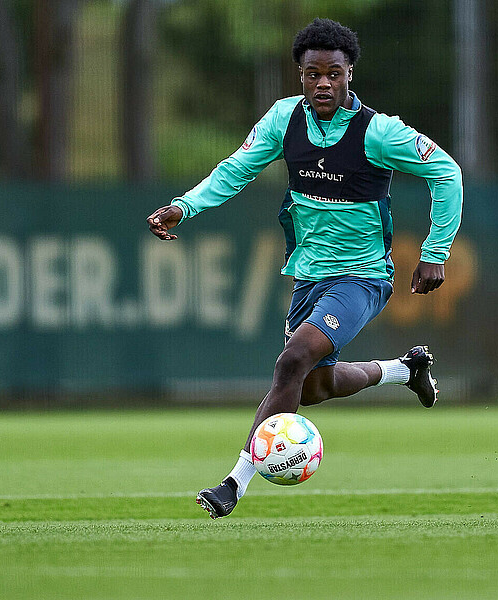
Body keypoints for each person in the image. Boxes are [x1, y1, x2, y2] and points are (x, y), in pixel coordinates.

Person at [147, 18, 463, 519]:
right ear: (300, 75)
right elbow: (235, 169)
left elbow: (446, 172)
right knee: (312, 386)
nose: (323, 83)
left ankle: (233, 484)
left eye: (334, 73)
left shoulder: (378, 132)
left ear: (349, 74)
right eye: (313, 74)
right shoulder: (283, 120)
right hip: (308, 276)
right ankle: (405, 370)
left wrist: (435, 251)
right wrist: (184, 206)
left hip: (362, 277)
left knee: (291, 362)